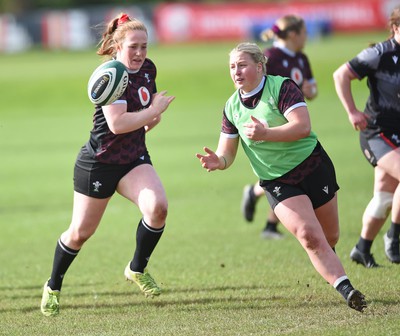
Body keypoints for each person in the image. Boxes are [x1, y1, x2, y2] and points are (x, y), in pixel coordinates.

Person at [196, 42, 367, 312]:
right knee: (309, 236)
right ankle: (347, 290)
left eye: (242, 65)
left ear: (259, 65)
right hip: (277, 182)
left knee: (329, 236)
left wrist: (266, 134)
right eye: (232, 66)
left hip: (313, 166)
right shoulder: (231, 108)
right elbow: (227, 153)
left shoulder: (281, 87)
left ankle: (329, 264)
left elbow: (302, 127)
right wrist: (219, 161)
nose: (236, 71)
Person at [40, 13, 175, 317]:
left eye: (145, 46)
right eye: (133, 47)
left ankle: (136, 269)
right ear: (117, 45)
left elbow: (143, 117)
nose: (140, 53)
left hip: (133, 159)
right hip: (99, 163)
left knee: (158, 208)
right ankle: (53, 285)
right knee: (80, 233)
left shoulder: (148, 69)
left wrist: (153, 116)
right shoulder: (110, 73)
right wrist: (152, 111)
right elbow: (117, 124)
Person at [333, 5, 400, 268]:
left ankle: (362, 248)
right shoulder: (379, 53)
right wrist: (352, 112)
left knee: (384, 197)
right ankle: (395, 239)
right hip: (377, 133)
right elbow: (341, 75)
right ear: (395, 28)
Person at [241, 15, 318, 240]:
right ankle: (268, 219)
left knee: (288, 173)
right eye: (304, 32)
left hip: (295, 120)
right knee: (284, 173)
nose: (306, 37)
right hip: (272, 123)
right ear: (293, 34)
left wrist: (307, 90)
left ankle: (264, 214)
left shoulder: (302, 58)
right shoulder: (270, 57)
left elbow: (312, 91)